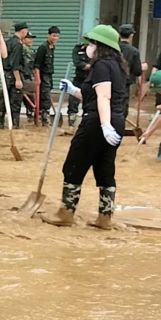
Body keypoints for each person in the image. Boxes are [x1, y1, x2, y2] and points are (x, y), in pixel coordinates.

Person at [41, 25, 128, 230]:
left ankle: (66, 213)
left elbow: (104, 96)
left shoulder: (102, 66)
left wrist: (104, 125)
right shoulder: (117, 66)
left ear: (100, 45)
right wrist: (73, 90)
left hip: (98, 122)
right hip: (116, 121)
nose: (89, 47)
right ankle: (105, 218)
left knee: (74, 164)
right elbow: (94, 96)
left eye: (92, 43)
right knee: (105, 167)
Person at [0, 22, 27, 129]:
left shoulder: (9, 42)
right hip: (14, 75)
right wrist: (18, 79)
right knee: (16, 100)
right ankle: (14, 124)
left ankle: (1, 122)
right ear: (23, 31)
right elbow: (15, 63)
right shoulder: (17, 44)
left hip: (7, 74)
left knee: (5, 98)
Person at [33, 26, 60, 122]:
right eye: (53, 36)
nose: (55, 38)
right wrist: (38, 77)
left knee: (47, 94)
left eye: (57, 36)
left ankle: (43, 115)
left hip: (49, 75)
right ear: (48, 35)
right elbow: (37, 65)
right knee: (45, 96)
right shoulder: (43, 47)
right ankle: (44, 117)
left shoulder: (52, 48)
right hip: (42, 75)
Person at [68, 33, 91, 127]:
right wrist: (89, 66)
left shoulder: (96, 50)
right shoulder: (78, 49)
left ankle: (85, 121)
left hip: (90, 80)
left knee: (89, 101)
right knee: (73, 99)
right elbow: (77, 63)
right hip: (79, 78)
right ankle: (72, 120)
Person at [117, 24, 146, 100]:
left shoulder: (113, 48)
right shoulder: (134, 51)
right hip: (125, 84)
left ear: (119, 35)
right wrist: (142, 67)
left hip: (111, 81)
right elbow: (137, 71)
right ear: (131, 35)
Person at [21, 31, 39, 123]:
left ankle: (31, 112)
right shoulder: (22, 49)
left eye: (32, 38)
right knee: (27, 94)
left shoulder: (31, 50)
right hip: (21, 75)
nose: (31, 40)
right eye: (29, 38)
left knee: (30, 94)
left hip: (28, 75)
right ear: (23, 39)